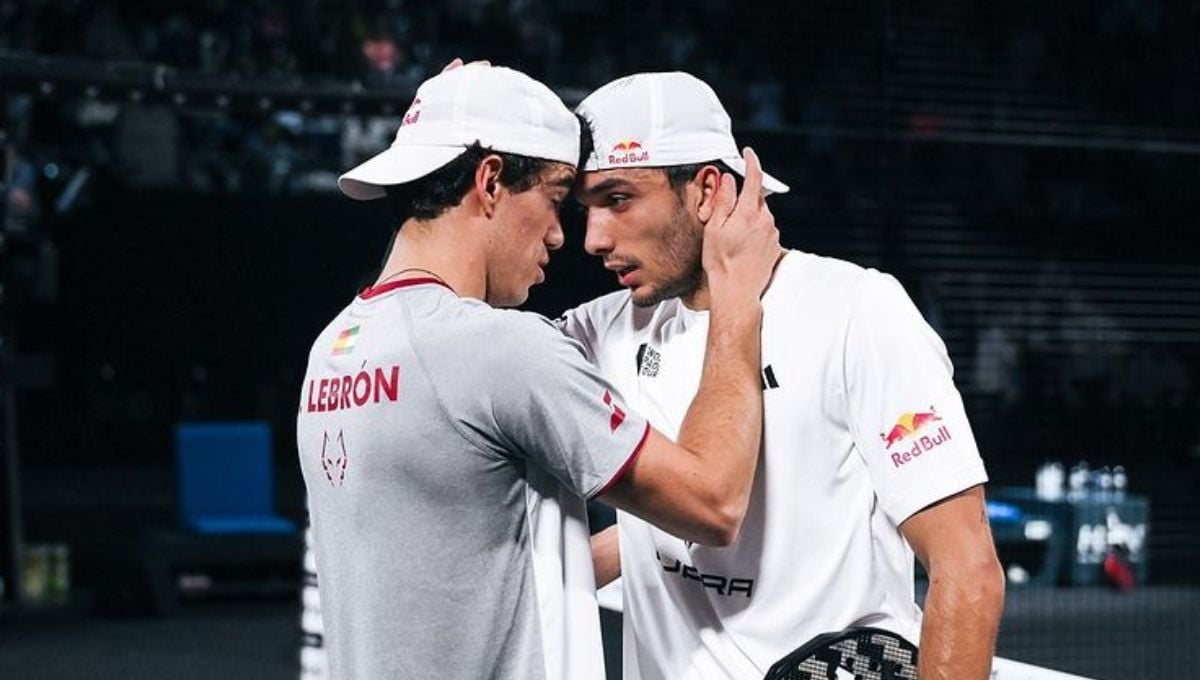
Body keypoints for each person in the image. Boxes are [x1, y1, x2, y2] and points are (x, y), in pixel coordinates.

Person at [297, 63, 780, 680]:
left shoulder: (336, 348)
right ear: (491, 180)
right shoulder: (498, 349)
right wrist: (737, 300)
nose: (561, 236)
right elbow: (713, 504)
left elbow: (487, 565)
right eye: (556, 199)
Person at [562, 71, 1005, 680]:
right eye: (585, 207)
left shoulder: (857, 309)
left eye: (618, 200)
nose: (594, 237)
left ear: (706, 190)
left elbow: (966, 566)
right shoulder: (601, 331)